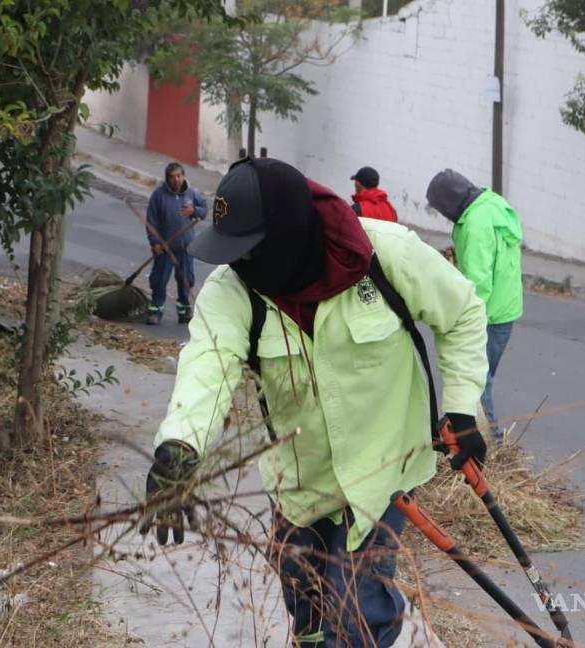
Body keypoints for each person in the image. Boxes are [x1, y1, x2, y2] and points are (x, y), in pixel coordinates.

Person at [140, 157, 489, 648]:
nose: (238, 264)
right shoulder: (235, 290)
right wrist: (180, 446)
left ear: (286, 234)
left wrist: (461, 407)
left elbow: (464, 314)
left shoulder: (384, 254)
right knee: (308, 613)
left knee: (356, 611)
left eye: (247, 250)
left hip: (383, 474)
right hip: (299, 483)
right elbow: (207, 363)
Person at [426, 169, 523, 443]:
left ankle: (490, 440)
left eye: (442, 209)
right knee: (483, 376)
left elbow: (478, 282)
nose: (444, 216)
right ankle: (485, 436)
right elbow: (490, 256)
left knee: (475, 379)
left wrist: (460, 316)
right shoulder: (489, 204)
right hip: (505, 309)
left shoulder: (475, 224)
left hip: (488, 313)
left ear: (449, 203)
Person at [144, 162, 208, 325]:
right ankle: (156, 310)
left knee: (185, 279)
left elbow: (204, 210)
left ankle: (184, 310)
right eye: (172, 177)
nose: (176, 180)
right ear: (167, 179)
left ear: (183, 176)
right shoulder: (158, 196)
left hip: (186, 248)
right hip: (165, 249)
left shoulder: (192, 194)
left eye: (179, 176)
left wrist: (195, 211)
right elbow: (151, 222)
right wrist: (155, 243)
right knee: (160, 280)